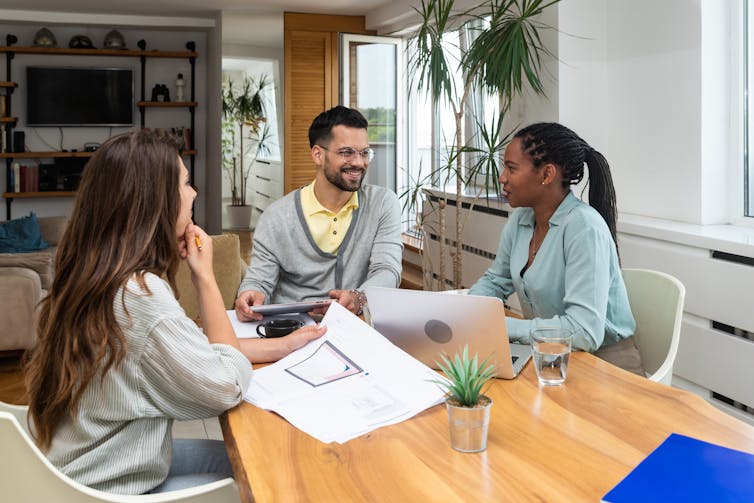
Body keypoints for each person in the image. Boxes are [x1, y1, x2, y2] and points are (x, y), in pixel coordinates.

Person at [23, 129, 325, 495]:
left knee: (247, 458)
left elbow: (192, 350)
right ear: (154, 201)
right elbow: (225, 386)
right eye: (184, 183)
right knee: (270, 473)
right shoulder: (141, 298)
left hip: (77, 468)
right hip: (105, 489)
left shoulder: (94, 275)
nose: (194, 193)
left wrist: (280, 347)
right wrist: (206, 278)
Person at [468, 122, 642, 374]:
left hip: (605, 366)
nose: (502, 177)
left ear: (546, 175)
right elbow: (496, 280)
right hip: (549, 354)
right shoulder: (521, 220)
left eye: (511, 168)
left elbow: (583, 332)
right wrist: (468, 312)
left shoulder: (585, 228)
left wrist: (502, 327)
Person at [235, 105, 403, 323]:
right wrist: (250, 293)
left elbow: (388, 270)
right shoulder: (276, 217)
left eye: (364, 153)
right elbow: (259, 282)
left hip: (354, 326)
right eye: (347, 152)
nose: (359, 163)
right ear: (317, 155)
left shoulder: (382, 204)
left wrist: (359, 297)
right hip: (291, 330)